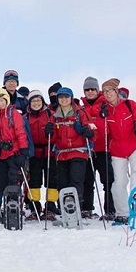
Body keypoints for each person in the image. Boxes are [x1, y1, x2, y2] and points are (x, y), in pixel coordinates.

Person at [100, 78, 136, 225]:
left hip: (135, 146)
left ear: (116, 91)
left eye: (110, 91)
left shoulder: (130, 105)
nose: (108, 94)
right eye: (105, 92)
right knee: (119, 182)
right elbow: (102, 134)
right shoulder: (105, 111)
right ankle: (122, 213)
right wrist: (102, 119)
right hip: (117, 150)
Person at [0, 88, 28, 222]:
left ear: (6, 100)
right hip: (2, 154)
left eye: (2, 100)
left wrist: (23, 151)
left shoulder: (13, 114)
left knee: (14, 180)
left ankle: (14, 207)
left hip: (15, 153)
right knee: (0, 182)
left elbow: (20, 132)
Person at [49, 87, 93, 215]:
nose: (64, 99)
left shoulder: (80, 113)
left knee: (76, 180)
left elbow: (92, 130)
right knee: (63, 183)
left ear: (71, 98)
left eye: (66, 97)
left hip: (78, 151)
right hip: (62, 154)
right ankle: (65, 210)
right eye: (61, 97)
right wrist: (49, 132)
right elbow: (52, 139)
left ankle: (76, 209)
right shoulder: (55, 116)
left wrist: (88, 132)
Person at [80, 77, 115, 220]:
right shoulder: (82, 108)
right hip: (88, 149)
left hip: (104, 148)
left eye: (92, 89)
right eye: (87, 90)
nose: (90, 92)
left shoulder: (105, 105)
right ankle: (87, 208)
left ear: (97, 90)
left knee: (108, 180)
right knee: (87, 181)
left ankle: (110, 210)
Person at [24, 90, 58, 220]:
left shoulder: (51, 115)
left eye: (38, 100)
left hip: (49, 151)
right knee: (34, 180)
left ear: (43, 101)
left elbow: (57, 134)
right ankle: (34, 206)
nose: (36, 103)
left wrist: (52, 132)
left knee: (51, 180)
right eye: (33, 101)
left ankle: (50, 206)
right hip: (34, 153)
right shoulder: (26, 117)